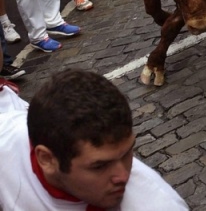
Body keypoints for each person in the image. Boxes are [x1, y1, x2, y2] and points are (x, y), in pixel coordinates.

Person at [0, 70, 188, 209]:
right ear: (47, 159)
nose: (123, 176)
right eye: (99, 166)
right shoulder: (5, 145)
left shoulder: (158, 204)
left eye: (127, 153)